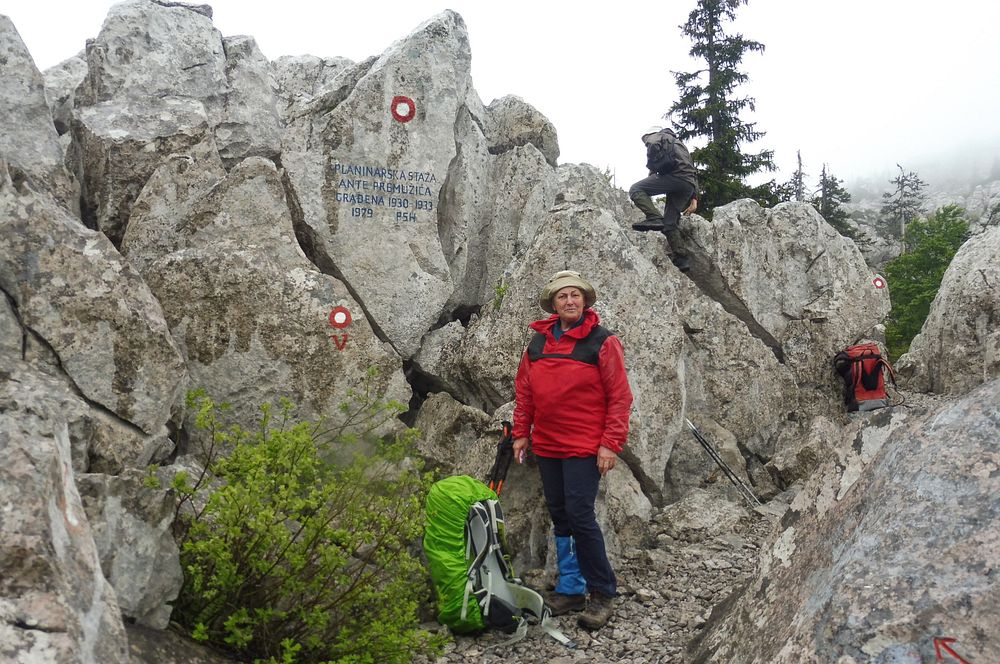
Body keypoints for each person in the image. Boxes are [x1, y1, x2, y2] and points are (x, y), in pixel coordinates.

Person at [512, 270, 633, 631]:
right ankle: (570, 589)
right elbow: (525, 393)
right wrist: (521, 434)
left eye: (575, 296)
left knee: (581, 516)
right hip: (547, 444)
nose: (570, 301)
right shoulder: (537, 343)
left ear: (585, 301)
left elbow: (620, 398)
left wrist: (610, 444)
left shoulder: (602, 342)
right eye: (563, 296)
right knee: (561, 515)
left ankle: (602, 593)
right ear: (553, 303)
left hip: (583, 446)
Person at [628, 125, 699, 272]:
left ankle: (654, 217)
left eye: (644, 140)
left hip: (675, 178)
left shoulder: (657, 136)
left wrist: (652, 164)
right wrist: (694, 197)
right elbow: (692, 171)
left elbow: (653, 144)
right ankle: (682, 259)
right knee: (670, 222)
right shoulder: (680, 144)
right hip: (687, 184)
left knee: (636, 189)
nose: (645, 142)